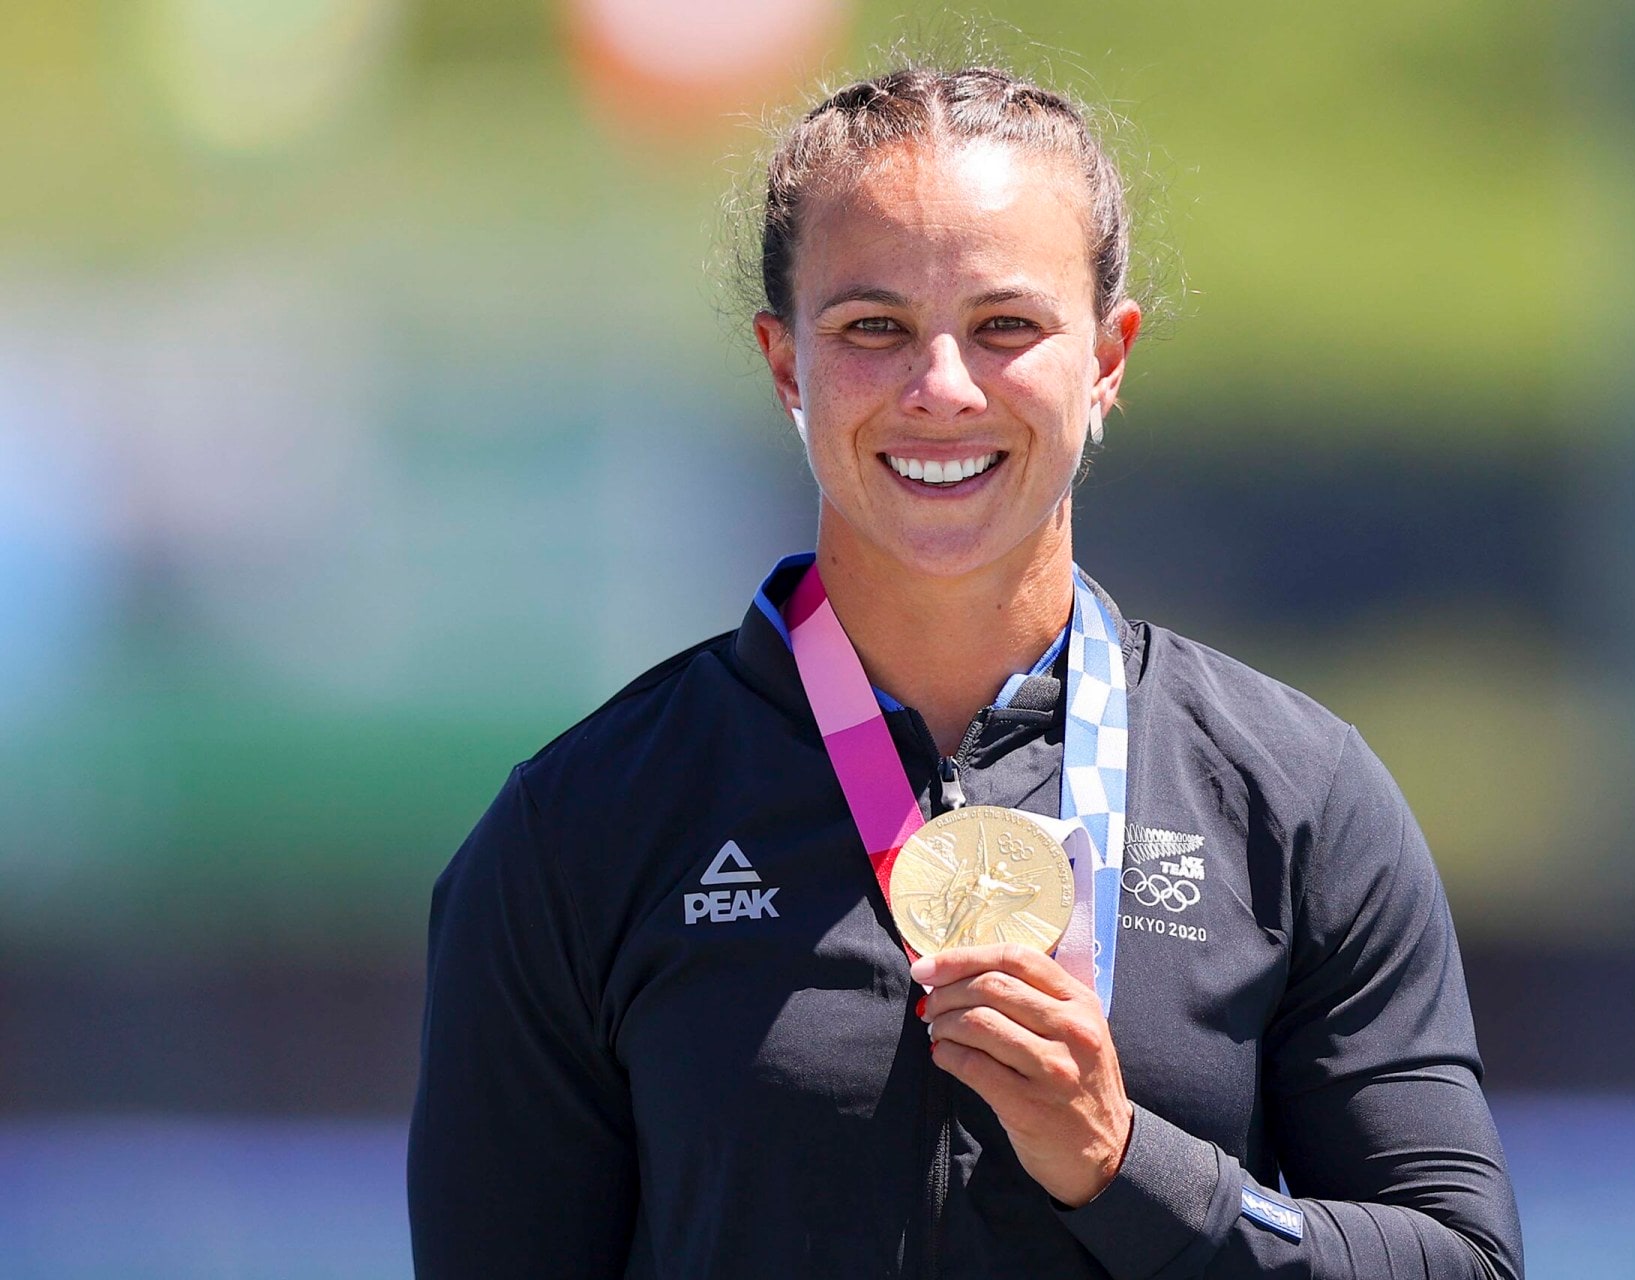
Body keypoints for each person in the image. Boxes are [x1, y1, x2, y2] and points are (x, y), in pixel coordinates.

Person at [408, 60, 1524, 1280]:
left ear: (1106, 358)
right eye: (873, 328)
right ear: (787, 364)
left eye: (1006, 326)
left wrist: (1126, 1163)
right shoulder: (581, 827)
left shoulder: (1295, 796)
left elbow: (1464, 1260)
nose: (941, 388)